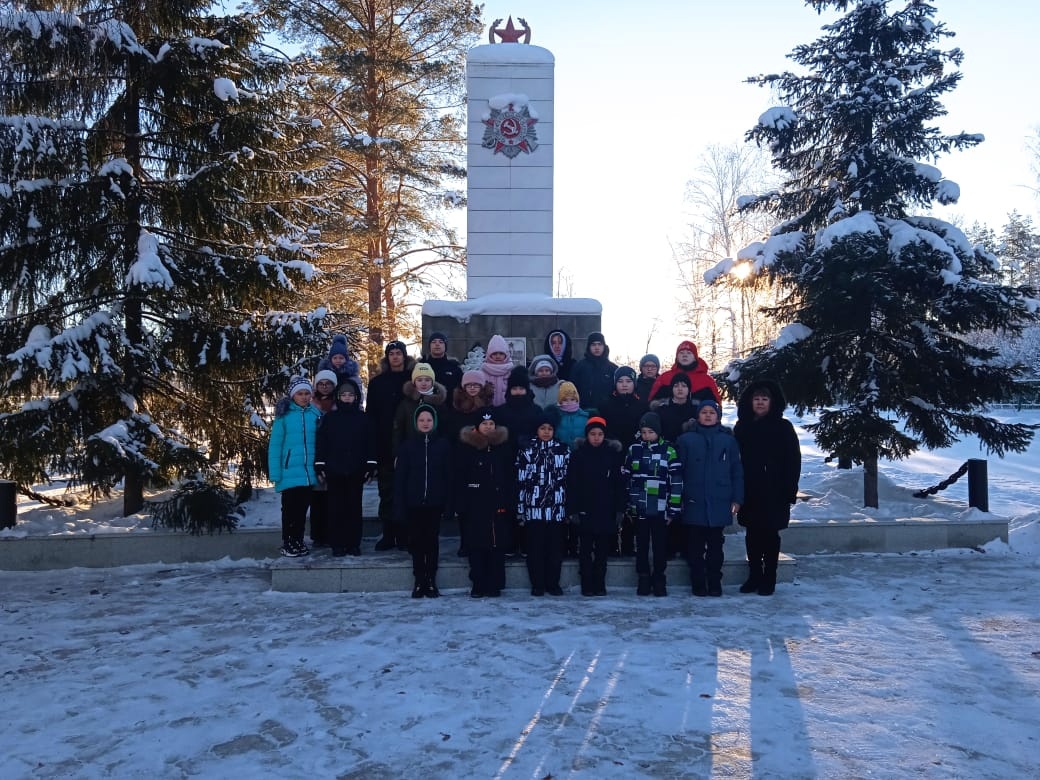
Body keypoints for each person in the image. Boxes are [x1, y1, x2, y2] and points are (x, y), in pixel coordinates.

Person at [733, 379, 801, 596]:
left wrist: (789, 490)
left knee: (770, 536)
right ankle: (754, 576)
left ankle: (769, 578)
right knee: (752, 535)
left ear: (772, 402)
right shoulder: (742, 427)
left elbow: (793, 460)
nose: (760, 403)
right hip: (750, 490)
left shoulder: (783, 427)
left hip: (775, 491)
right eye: (756, 399)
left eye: (764, 399)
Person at [676, 399, 744, 597]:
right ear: (698, 415)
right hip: (693, 499)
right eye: (704, 412)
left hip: (719, 500)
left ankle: (715, 582)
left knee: (716, 547)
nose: (707, 415)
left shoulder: (728, 441)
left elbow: (736, 471)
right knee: (695, 547)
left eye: (712, 412)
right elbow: (678, 471)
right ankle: (698, 583)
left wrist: (737, 498)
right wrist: (678, 498)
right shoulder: (686, 440)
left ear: (718, 417)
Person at [394, 405, 453, 598]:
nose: (425, 423)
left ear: (434, 422)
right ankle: (419, 580)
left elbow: (448, 476)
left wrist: (448, 504)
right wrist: (400, 505)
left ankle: (431, 579)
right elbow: (401, 478)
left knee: (432, 542)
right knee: (417, 542)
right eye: (421, 420)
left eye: (429, 420)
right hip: (414, 503)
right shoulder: (407, 446)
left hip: (435, 503)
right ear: (416, 423)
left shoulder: (443, 445)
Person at [314, 379, 377, 556]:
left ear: (356, 397)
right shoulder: (330, 418)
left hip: (356, 470)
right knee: (336, 508)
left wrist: (371, 464)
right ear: (338, 397)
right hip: (334, 470)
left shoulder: (363, 419)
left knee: (354, 508)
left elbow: (371, 443)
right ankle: (337, 543)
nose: (347, 397)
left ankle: (353, 543)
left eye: (350, 395)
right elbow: (322, 442)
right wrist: (320, 464)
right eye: (344, 395)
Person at [624, 412, 683, 596]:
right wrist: (628, 505)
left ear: (658, 432)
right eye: (643, 432)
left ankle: (659, 578)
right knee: (641, 545)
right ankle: (643, 577)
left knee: (660, 546)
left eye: (650, 432)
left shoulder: (669, 450)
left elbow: (676, 482)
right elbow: (626, 478)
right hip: (639, 508)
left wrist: (673, 509)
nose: (647, 436)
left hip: (660, 509)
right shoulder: (634, 450)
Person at [567, 417, 626, 596]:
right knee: (585, 550)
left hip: (605, 510)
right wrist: (573, 510)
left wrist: (619, 509)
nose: (596, 437)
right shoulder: (578, 455)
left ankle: (600, 583)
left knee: (602, 550)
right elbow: (572, 484)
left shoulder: (612, 455)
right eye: (593, 434)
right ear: (587, 435)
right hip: (584, 508)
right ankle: (586, 583)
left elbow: (619, 484)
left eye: (600, 434)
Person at [366, 340, 416, 551]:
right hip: (385, 443)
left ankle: (405, 535)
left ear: (404, 356)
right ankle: (388, 534)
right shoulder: (377, 383)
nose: (395, 356)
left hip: (408, 443)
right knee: (387, 492)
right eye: (392, 353)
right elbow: (371, 416)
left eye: (398, 353)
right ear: (387, 357)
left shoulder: (413, 380)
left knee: (407, 491)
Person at [457, 412, 514, 597]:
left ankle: (495, 583)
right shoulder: (467, 449)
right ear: (477, 427)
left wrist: (509, 500)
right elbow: (460, 478)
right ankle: (478, 583)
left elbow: (510, 476)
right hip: (475, 506)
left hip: (498, 505)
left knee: (497, 546)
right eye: (484, 423)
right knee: (476, 545)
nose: (488, 427)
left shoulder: (503, 448)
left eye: (491, 423)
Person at [516, 413, 571, 596]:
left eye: (550, 429)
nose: (546, 432)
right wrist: (521, 508)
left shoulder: (563, 450)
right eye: (542, 428)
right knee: (535, 549)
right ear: (536, 430)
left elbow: (569, 480)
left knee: (555, 549)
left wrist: (568, 507)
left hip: (556, 508)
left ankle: (553, 583)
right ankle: (537, 584)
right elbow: (521, 480)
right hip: (534, 509)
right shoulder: (527, 450)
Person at [267, 376, 321, 557]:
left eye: (307, 393)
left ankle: (298, 539)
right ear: (293, 396)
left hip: (308, 472)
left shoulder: (315, 414)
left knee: (302, 509)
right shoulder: (284, 417)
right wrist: (275, 473)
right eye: (300, 394)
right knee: (290, 509)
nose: (304, 397)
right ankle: (288, 541)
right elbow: (275, 446)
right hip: (289, 471)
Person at [599, 365, 648, 556]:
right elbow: (602, 429)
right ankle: (612, 543)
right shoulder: (606, 404)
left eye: (628, 381)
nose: (624, 385)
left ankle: (629, 543)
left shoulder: (642, 404)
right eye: (620, 381)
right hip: (612, 457)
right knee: (612, 498)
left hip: (636, 457)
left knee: (632, 499)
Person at [307, 369, 339, 546]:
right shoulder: (310, 404)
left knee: (333, 498)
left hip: (335, 454)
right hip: (315, 452)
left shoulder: (338, 403)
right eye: (321, 384)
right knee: (317, 497)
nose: (325, 387)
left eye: (328, 384)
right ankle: (318, 534)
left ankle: (332, 532)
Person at [391, 362, 448, 455]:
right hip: (410, 451)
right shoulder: (406, 403)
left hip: (435, 452)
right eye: (420, 380)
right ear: (414, 382)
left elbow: (445, 429)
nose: (423, 383)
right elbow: (398, 430)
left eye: (427, 380)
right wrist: (398, 452)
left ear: (432, 382)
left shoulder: (439, 403)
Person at [647, 340, 722, 404]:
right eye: (681, 353)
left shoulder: (707, 380)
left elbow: (716, 408)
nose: (685, 355)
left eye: (689, 353)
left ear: (695, 357)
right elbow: (652, 403)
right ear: (677, 357)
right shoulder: (664, 378)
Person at [570, 331, 618, 412]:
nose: (597, 347)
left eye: (599, 344)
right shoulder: (579, 367)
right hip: (583, 411)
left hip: (607, 412)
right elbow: (572, 389)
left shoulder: (613, 369)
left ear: (604, 346)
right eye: (593, 344)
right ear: (589, 347)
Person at [550, 381, 590, 452]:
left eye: (572, 399)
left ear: (577, 400)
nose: (569, 402)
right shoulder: (556, 417)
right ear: (560, 402)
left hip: (580, 454)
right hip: (560, 454)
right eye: (565, 400)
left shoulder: (585, 417)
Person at [421, 331, 462, 398]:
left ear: (445, 346)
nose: (437, 344)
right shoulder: (421, 366)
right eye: (434, 342)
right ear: (429, 346)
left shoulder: (454, 367)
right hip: (426, 403)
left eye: (441, 342)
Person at [481, 334, 515, 406]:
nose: (498, 356)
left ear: (506, 354)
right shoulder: (483, 371)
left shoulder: (511, 371)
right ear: (489, 355)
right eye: (494, 353)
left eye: (501, 353)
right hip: (488, 408)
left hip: (507, 408)